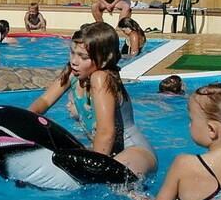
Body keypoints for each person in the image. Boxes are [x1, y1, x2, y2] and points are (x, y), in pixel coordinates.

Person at [29, 22, 157, 178]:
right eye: (72, 52)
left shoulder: (101, 78)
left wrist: (92, 171)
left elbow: (106, 132)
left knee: (116, 184)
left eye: (83, 57)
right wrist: (22, 126)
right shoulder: (73, 74)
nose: (74, 61)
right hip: (108, 151)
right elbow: (44, 102)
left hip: (134, 151)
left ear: (103, 60)